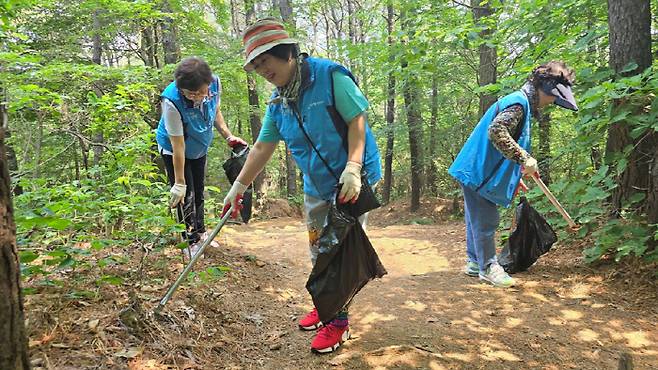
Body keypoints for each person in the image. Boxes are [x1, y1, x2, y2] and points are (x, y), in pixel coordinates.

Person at [222, 18, 382, 353]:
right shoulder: (278, 103)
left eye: (266, 60)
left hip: (352, 179)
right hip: (317, 183)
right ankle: (328, 304)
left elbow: (357, 120)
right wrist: (238, 187)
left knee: (338, 251)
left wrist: (353, 167)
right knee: (317, 248)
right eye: (256, 65)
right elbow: (263, 148)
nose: (262, 70)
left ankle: (338, 322)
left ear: (287, 53)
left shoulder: (329, 76)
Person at [448, 61, 578, 288]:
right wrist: (525, 158)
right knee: (486, 220)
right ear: (544, 89)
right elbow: (497, 131)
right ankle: (488, 266)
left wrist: (515, 176)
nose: (552, 103)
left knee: (475, 218)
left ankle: (474, 262)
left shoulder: (521, 104)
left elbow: (505, 144)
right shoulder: (518, 103)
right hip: (478, 172)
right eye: (553, 97)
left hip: (476, 170)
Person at [156, 57, 246, 259]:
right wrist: (179, 183)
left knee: (198, 191)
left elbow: (215, 111)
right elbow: (178, 145)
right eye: (190, 93)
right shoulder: (171, 102)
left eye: (200, 92)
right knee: (185, 194)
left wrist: (228, 135)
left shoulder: (214, 83)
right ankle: (189, 241)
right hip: (175, 150)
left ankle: (201, 232)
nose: (196, 97)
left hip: (198, 146)